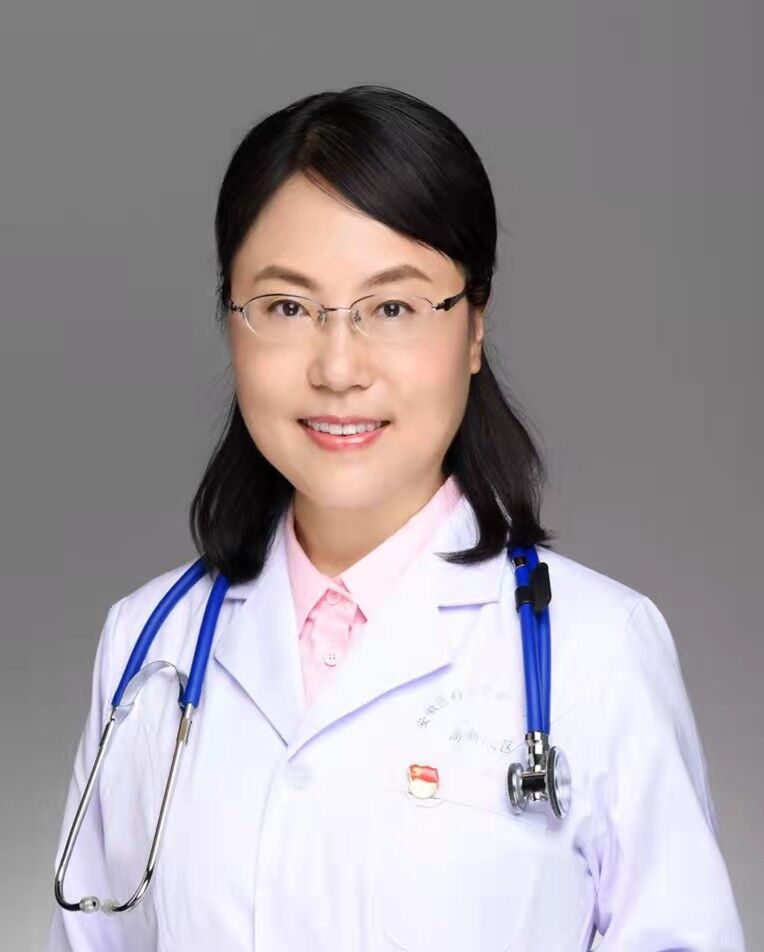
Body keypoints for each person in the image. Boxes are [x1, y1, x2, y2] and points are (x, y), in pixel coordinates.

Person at [47, 84, 746, 952]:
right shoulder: (147, 647)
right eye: (288, 307)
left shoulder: (599, 652)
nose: (339, 368)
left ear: (474, 326)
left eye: (392, 308)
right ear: (231, 321)